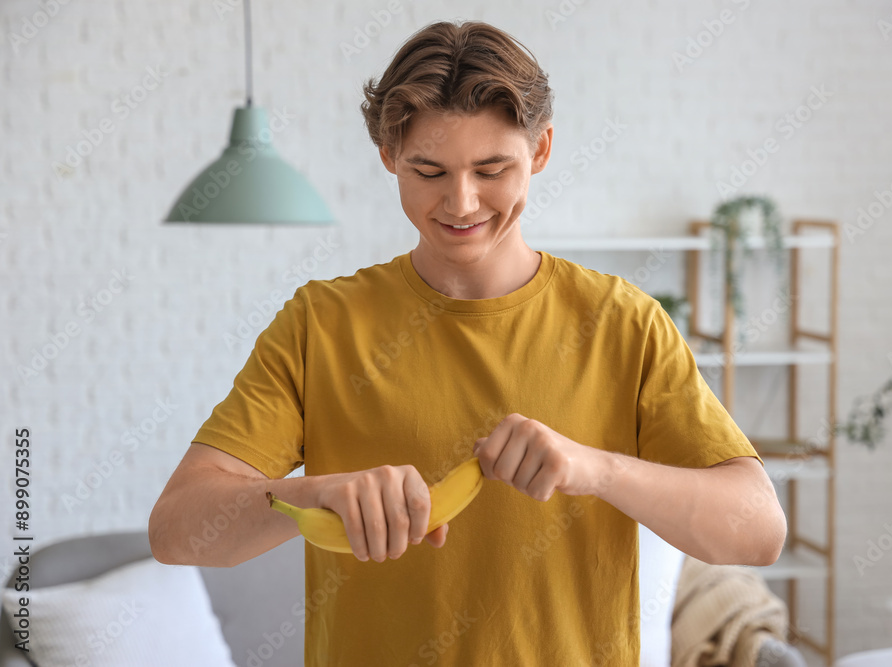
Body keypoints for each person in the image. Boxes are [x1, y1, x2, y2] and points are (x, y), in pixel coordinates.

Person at [148, 19, 786, 666]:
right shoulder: (322, 324)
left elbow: (759, 529)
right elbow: (176, 528)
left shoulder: (623, 323)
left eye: (492, 168)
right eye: (429, 169)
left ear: (540, 151)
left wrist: (596, 467)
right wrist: (306, 496)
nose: (461, 201)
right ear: (388, 156)